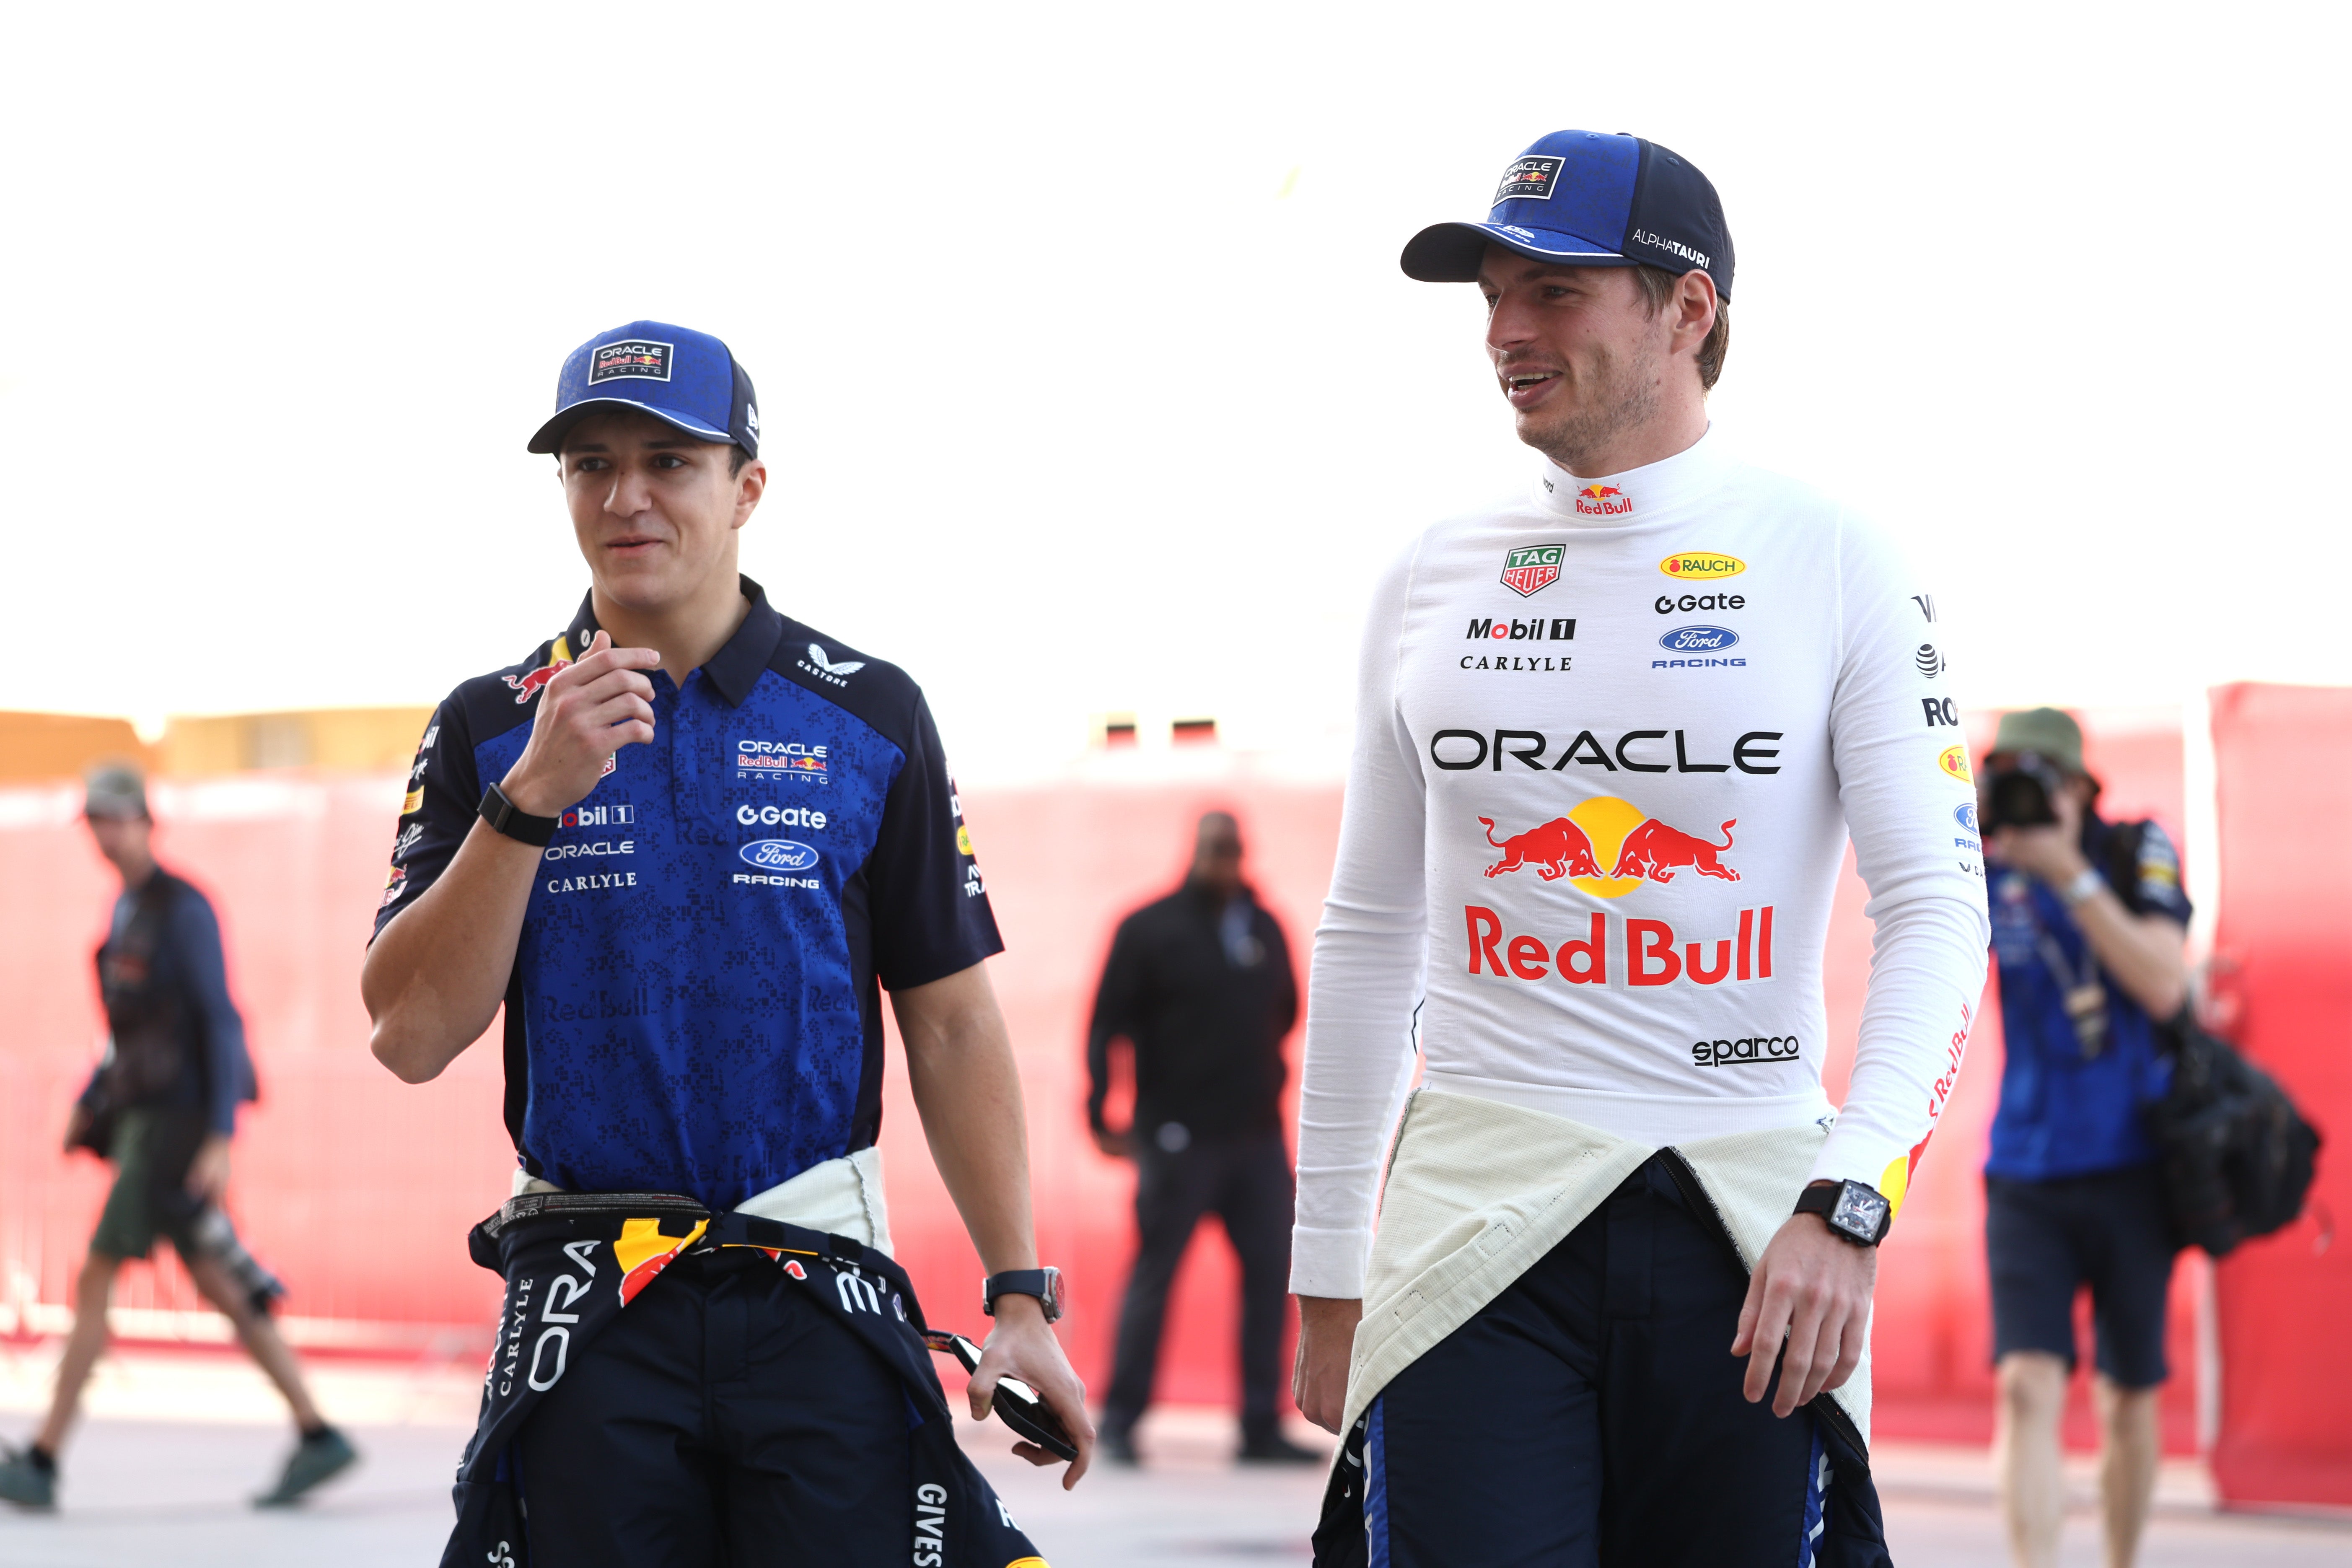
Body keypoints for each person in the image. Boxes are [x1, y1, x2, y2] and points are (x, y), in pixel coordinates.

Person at [1286, 131, 1991, 1567]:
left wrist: (1850, 1201)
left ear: (1688, 310)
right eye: (1490, 294)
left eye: (1553, 292)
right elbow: (1367, 934)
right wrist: (1326, 1263)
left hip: (1753, 1221)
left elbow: (1936, 911)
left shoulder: (1835, 556)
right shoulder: (1431, 571)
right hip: (1474, 1214)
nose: (1501, 332)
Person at [360, 321, 1090, 1566]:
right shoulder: (492, 724)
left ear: (747, 486)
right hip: (593, 1306)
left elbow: (953, 1019)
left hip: (816, 1296)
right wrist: (530, 796)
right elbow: (409, 1034)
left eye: (669, 460)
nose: (625, 496)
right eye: (589, 463)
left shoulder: (869, 712)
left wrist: (1018, 1294)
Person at [0, 766, 356, 1512]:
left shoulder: (181, 908)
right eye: (93, 818)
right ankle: (318, 1431)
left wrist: (221, 1135)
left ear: (141, 820)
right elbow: (127, 1035)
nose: (102, 831)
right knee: (220, 1280)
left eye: (112, 816)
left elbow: (221, 1019)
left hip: (174, 1125)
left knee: (97, 1274)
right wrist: (92, 1099)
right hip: (144, 1120)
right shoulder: (128, 909)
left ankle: (40, 1457)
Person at [1977, 708, 2189, 1568]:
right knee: (2026, 1382)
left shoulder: (2131, 849)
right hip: (2024, 1166)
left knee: (2127, 1393)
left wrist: (2068, 871)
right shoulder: (1987, 863)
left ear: (2077, 788)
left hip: (2134, 1164)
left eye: (2039, 783)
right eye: (2008, 782)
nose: (2026, 802)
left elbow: (2166, 984)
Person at [1085, 811, 1316, 1465]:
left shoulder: (1264, 927)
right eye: (1216, 849)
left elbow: (1287, 1012)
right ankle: (1124, 1421)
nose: (1226, 860)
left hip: (1256, 1138)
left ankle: (1260, 1424)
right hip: (1178, 1136)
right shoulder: (1150, 928)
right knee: (1156, 1275)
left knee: (1274, 1274)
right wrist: (1102, 1109)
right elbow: (1108, 1024)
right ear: (1195, 852)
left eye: (1235, 849)